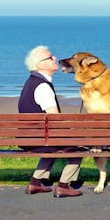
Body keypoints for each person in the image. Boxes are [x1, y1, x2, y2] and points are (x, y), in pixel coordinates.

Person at [18, 45, 83, 198]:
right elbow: (55, 118)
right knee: (79, 147)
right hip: (39, 139)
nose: (55, 58)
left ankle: (35, 183)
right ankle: (64, 186)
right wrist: (72, 131)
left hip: (30, 137)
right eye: (50, 57)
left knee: (52, 147)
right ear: (40, 64)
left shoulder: (31, 82)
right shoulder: (42, 86)